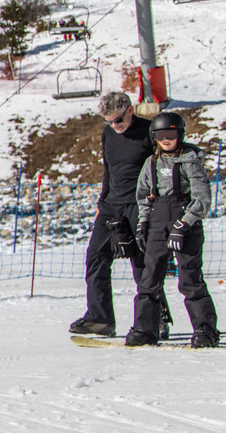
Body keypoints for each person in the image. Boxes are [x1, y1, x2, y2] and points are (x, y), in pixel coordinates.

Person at [71, 91, 171, 339]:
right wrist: (102, 199)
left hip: (140, 205)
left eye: (118, 120)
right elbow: (109, 169)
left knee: (143, 264)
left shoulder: (149, 132)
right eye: (108, 121)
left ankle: (155, 319)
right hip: (110, 206)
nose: (114, 126)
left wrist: (157, 200)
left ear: (130, 110)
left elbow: (163, 168)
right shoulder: (108, 134)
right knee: (95, 258)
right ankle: (100, 318)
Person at [127, 111, 219, 348]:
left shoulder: (190, 161)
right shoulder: (152, 163)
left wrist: (185, 223)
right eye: (161, 135)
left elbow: (202, 198)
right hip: (159, 220)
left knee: (189, 278)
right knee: (150, 277)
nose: (166, 140)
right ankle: (146, 328)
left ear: (180, 134)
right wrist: (143, 223)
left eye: (171, 134)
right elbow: (143, 196)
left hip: (184, 223)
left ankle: (205, 330)